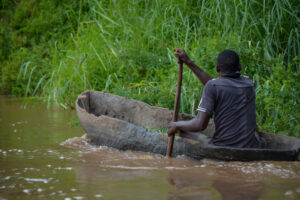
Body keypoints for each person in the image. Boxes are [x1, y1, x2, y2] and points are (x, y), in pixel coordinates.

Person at [167, 49, 259, 148]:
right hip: (252, 146)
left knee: (183, 131)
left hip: (223, 146)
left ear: (217, 68)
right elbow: (216, 83)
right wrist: (189, 62)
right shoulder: (248, 83)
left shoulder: (213, 86)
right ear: (240, 67)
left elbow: (200, 125)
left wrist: (176, 125)